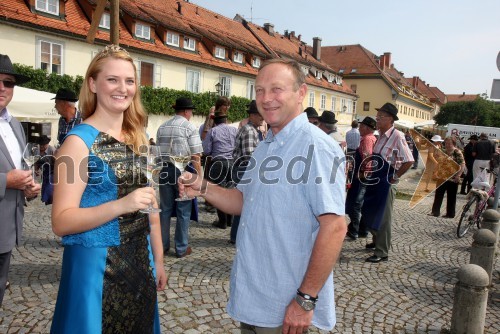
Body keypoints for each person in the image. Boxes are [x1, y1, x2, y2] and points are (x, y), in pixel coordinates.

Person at [179, 59, 346, 332]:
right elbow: (243, 201)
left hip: (287, 303)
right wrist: (202, 186)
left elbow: (335, 227)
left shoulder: (316, 147)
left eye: (276, 89)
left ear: (301, 93)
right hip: (256, 297)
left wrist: (305, 299)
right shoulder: (266, 146)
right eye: (259, 90)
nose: (266, 99)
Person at [50, 45, 167, 332]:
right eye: (112, 79)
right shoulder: (77, 143)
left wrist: (159, 260)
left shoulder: (139, 136)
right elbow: (61, 221)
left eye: (129, 81)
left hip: (140, 261)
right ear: (93, 83)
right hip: (95, 265)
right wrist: (121, 205)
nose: (122, 88)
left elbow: (151, 205)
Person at [0, 54, 41, 306]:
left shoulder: (15, 125)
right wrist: (6, 181)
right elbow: (9, 176)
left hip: (7, 230)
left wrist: (28, 186)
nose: (2, 88)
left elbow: (21, 167)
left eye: (8, 82)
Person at [362, 103, 414, 263]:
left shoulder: (397, 135)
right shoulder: (380, 136)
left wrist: (395, 177)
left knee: (383, 217)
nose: (377, 118)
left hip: (386, 180)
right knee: (369, 211)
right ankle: (376, 240)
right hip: (375, 178)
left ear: (390, 119)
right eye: (377, 116)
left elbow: (409, 160)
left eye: (381, 116)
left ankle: (382, 252)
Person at [156, 97, 202, 258]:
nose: (191, 114)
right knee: (183, 210)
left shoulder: (162, 127)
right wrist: (200, 178)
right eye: (190, 111)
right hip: (182, 171)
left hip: (165, 169)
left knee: (165, 210)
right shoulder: (189, 127)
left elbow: (158, 152)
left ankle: (162, 245)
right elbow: (196, 155)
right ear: (186, 111)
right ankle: (181, 248)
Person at [229, 100, 264, 244]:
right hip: (244, 169)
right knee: (244, 204)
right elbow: (249, 156)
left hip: (241, 168)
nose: (263, 117)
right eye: (260, 115)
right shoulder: (250, 131)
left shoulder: (249, 129)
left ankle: (235, 235)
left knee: (241, 204)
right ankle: (237, 236)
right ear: (252, 115)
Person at [202, 109, 238, 229]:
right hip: (232, 162)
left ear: (215, 121)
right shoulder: (234, 130)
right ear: (226, 120)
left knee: (219, 192)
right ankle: (230, 220)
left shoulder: (213, 131)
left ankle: (222, 221)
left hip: (219, 163)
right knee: (231, 190)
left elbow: (206, 150)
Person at [345, 116, 377, 240]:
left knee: (356, 203)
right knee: (361, 203)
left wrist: (363, 173)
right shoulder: (371, 138)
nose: (359, 128)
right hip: (365, 174)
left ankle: (355, 229)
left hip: (363, 175)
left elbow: (367, 157)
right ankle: (363, 229)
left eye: (361, 126)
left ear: (367, 128)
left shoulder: (367, 139)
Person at [429, 137, 465, 218]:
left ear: (453, 144)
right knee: (438, 194)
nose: (448, 145)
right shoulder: (443, 151)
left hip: (453, 177)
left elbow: (462, 164)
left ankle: (450, 214)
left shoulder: (457, 152)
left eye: (450, 143)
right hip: (442, 176)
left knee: (451, 196)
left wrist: (458, 175)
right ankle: (435, 212)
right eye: (446, 143)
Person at [34, 135, 55, 205]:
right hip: (44, 168)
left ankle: (49, 199)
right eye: (41, 145)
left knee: (50, 183)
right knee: (44, 183)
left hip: (52, 168)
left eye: (44, 145)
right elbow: (36, 161)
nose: (42, 146)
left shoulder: (52, 150)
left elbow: (57, 162)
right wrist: (36, 169)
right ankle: (45, 199)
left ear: (47, 144)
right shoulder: (37, 150)